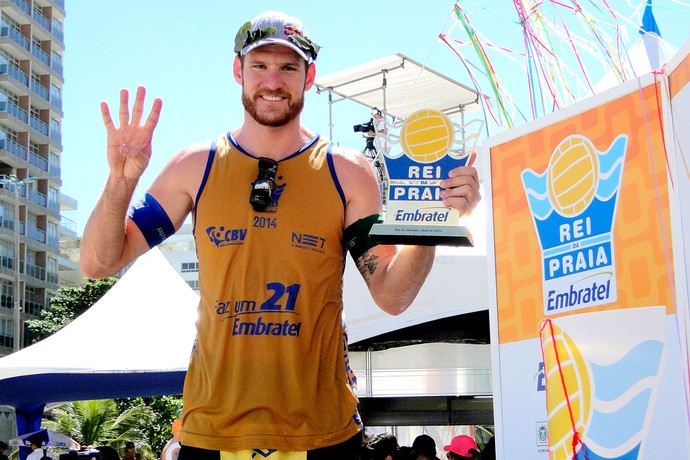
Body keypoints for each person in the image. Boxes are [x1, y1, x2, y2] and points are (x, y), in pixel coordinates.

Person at [80, 9, 480, 460]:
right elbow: (98, 262)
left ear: (309, 76)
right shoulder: (196, 166)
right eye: (260, 66)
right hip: (211, 434)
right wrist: (121, 179)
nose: (273, 81)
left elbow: (392, 295)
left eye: (288, 67)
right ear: (238, 71)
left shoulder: (347, 172)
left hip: (324, 435)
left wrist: (435, 222)